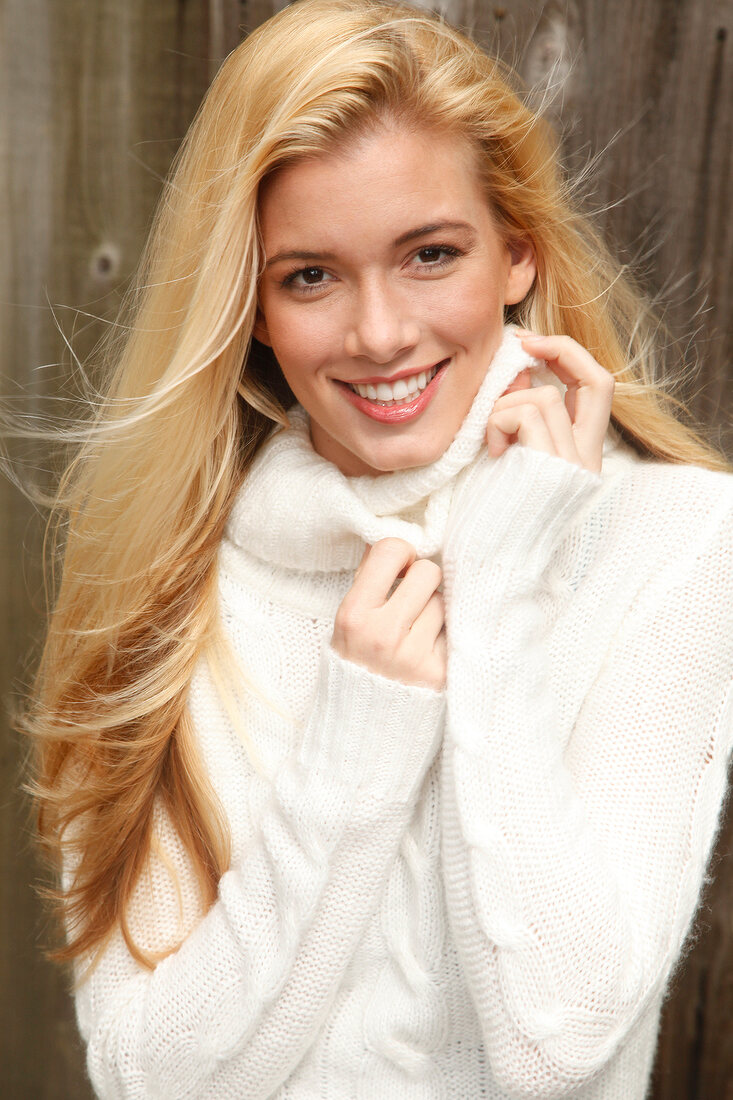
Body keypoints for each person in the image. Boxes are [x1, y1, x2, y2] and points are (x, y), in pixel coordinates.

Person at [22, 1, 733, 1097]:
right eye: (310, 275)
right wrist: (357, 741)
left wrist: (495, 600)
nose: (381, 333)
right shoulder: (161, 588)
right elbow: (143, 1075)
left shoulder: (677, 545)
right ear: (251, 305)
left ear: (517, 253)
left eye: (429, 254)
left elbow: (558, 1043)